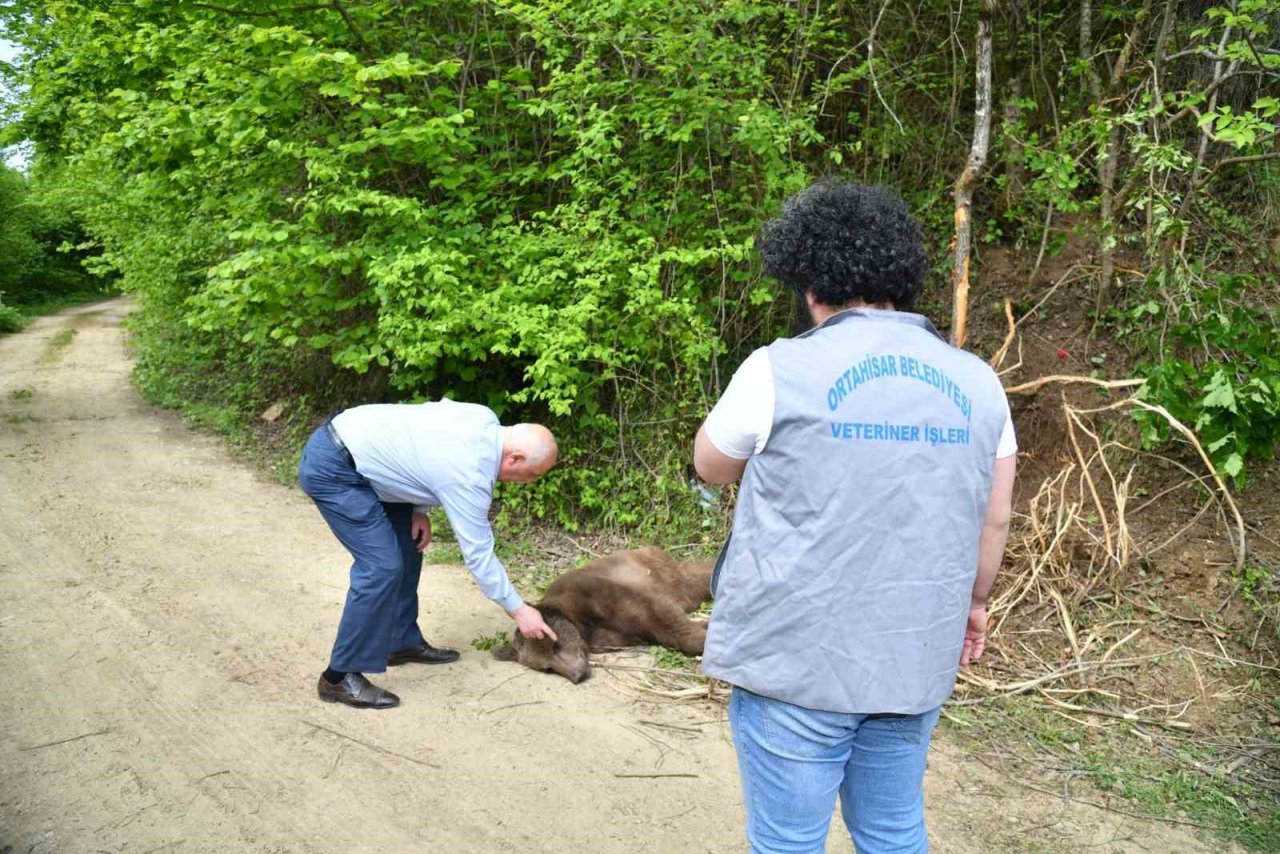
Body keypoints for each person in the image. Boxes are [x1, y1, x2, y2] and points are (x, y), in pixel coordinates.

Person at [694, 181, 1016, 853]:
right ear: (900, 276)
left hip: (795, 660)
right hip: (913, 654)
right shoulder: (979, 382)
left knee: (788, 840)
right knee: (893, 831)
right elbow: (995, 518)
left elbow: (711, 466)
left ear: (809, 282)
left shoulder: (778, 368)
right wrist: (976, 603)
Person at [298, 399, 559, 709]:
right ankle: (338, 678)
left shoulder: (484, 419)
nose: (528, 482)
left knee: (408, 548)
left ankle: (400, 642)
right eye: (531, 474)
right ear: (515, 457)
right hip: (336, 469)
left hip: (369, 459)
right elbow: (479, 557)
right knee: (381, 567)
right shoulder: (469, 473)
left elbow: (422, 441)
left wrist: (418, 508)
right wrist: (520, 611)